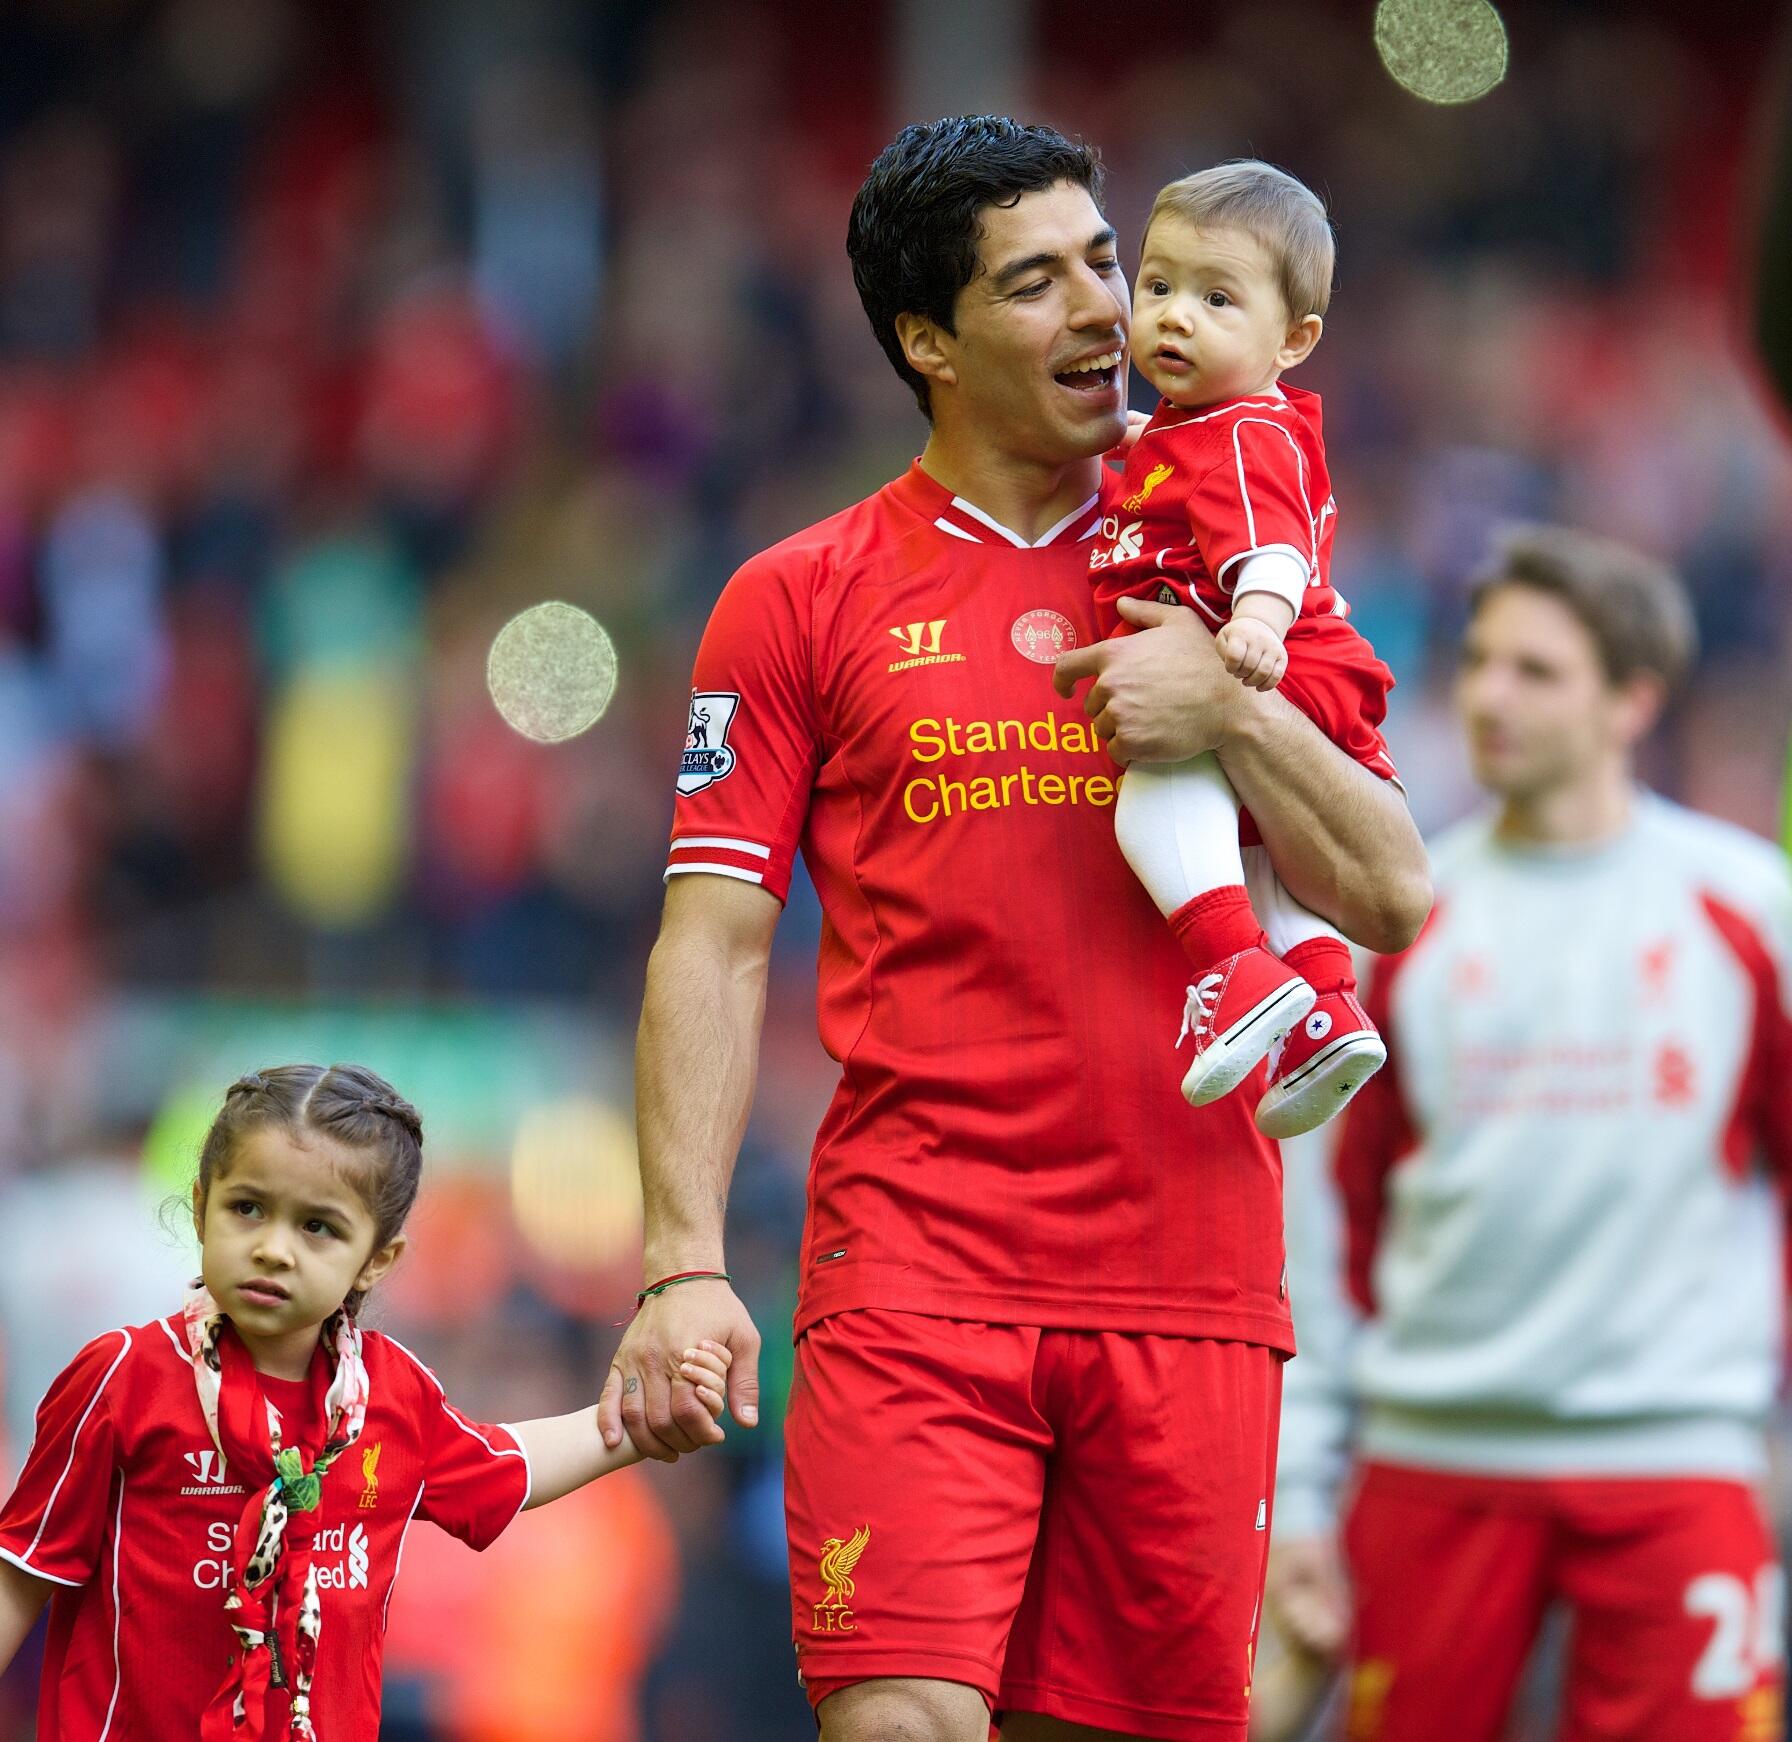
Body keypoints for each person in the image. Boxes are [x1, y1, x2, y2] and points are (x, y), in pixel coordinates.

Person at [601, 115, 1431, 1742]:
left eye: (1106, 262)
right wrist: (680, 1261)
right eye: (1037, 282)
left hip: (1191, 1275)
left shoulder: (1233, 548)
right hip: (920, 1261)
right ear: (927, 337)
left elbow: (1390, 888)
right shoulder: (797, 596)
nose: (1107, 313)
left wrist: (1236, 712)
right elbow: (708, 938)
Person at [1266, 526, 1792, 1742]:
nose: (1490, 696)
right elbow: (1317, 1239)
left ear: (1631, 700)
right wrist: (1297, 1496)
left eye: (1536, 670)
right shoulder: (1393, 928)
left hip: (1678, 1454)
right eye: (1482, 662)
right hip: (1429, 1457)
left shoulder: (1749, 913)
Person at [0, 1063, 730, 1742]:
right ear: (201, 1207)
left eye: (319, 1228)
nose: (273, 1246)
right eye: (247, 1208)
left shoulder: (392, 1394)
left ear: (378, 1259)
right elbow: (18, 1568)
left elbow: (503, 1466)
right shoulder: (122, 1374)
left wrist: (638, 1422)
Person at [1093, 163, 1394, 1139]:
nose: (1175, 316)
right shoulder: (1203, 428)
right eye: (1158, 286)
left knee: (1157, 796)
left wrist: (1254, 623)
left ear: (1291, 340)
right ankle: (1322, 1009)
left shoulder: (1236, 434)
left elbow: (1270, 541)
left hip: (1266, 652)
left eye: (1217, 298)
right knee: (1258, 849)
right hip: (1288, 661)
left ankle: (1231, 969)